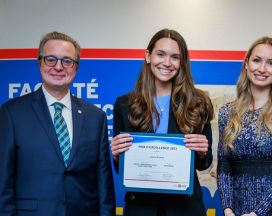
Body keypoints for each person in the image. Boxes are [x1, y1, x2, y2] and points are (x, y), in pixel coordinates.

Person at [0, 31, 116, 216]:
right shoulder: (11, 113)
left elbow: (104, 185)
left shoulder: (96, 117)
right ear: (40, 63)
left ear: (76, 67)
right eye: (51, 59)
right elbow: (2, 183)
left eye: (67, 61)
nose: (59, 67)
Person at [111, 29, 214, 216]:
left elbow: (205, 164)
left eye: (175, 57)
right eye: (160, 54)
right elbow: (120, 169)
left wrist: (202, 151)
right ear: (148, 56)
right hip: (141, 208)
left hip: (185, 208)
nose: (167, 63)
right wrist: (118, 155)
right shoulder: (124, 104)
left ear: (181, 63)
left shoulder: (198, 102)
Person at [217, 36, 272, 216]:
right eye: (257, 60)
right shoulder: (227, 112)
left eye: (271, 63)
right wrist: (227, 209)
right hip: (235, 212)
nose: (262, 69)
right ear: (247, 64)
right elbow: (224, 165)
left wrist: (257, 213)